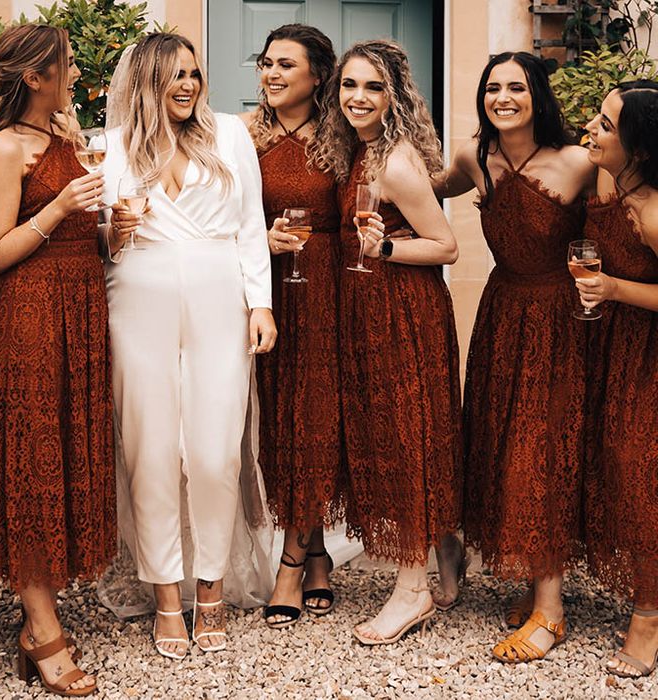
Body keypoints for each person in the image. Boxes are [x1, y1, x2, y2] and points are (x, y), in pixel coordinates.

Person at [103, 32, 275, 659]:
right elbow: (107, 242)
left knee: (212, 450)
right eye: (174, 75)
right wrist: (112, 232)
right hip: (137, 297)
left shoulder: (230, 134)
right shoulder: (114, 147)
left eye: (194, 73)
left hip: (218, 295)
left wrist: (261, 304)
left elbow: (251, 224)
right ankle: (168, 596)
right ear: (147, 81)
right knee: (149, 448)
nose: (187, 85)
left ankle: (214, 585)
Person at [432, 51, 595, 662]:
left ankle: (550, 611)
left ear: (538, 96)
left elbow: (624, 212)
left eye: (516, 88)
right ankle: (535, 583)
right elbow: (421, 191)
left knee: (544, 448)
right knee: (508, 444)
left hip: (563, 319)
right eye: (493, 87)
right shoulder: (475, 157)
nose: (503, 97)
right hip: (503, 314)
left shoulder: (577, 161)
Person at [0, 23, 115, 696]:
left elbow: (83, 230)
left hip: (81, 312)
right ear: (35, 76)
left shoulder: (66, 138)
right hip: (29, 317)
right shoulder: (6, 148)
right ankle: (40, 627)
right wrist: (61, 205)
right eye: (63, 65)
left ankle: (38, 614)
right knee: (32, 467)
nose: (71, 73)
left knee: (63, 459)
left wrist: (115, 230)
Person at [312, 39, 462, 645]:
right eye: (350, 85)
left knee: (406, 440)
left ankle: (412, 589)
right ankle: (447, 556)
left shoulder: (394, 162)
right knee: (406, 433)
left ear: (393, 95)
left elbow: (446, 245)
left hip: (404, 313)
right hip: (367, 308)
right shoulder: (356, 151)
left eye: (373, 87)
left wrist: (388, 248)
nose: (358, 98)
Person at [237, 23, 342, 629]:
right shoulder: (241, 134)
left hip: (328, 288)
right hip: (265, 290)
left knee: (317, 418)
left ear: (317, 76)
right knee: (280, 420)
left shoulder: (340, 135)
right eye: (266, 63)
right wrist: (260, 243)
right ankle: (319, 550)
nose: (271, 75)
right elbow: (222, 215)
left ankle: (291, 564)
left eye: (286, 66)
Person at [576, 80, 658, 678]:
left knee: (640, 479)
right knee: (609, 466)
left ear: (640, 145)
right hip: (607, 345)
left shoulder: (655, 212)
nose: (593, 128)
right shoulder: (606, 177)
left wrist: (612, 288)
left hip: (650, 352)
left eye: (606, 123)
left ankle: (649, 618)